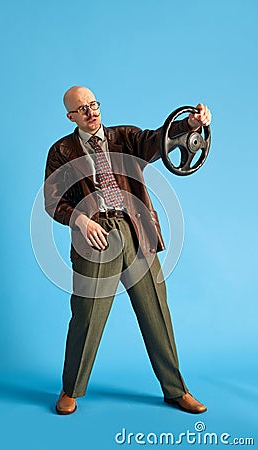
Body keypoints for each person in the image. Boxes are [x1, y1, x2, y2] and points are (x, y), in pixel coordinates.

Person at [44, 86, 211, 415]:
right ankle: (71, 389)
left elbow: (159, 140)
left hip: (136, 231)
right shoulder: (62, 151)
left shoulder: (126, 137)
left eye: (94, 105)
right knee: (87, 316)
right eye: (82, 109)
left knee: (157, 314)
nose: (91, 112)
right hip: (96, 238)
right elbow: (53, 201)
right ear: (70, 117)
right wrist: (80, 220)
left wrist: (190, 125)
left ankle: (176, 390)